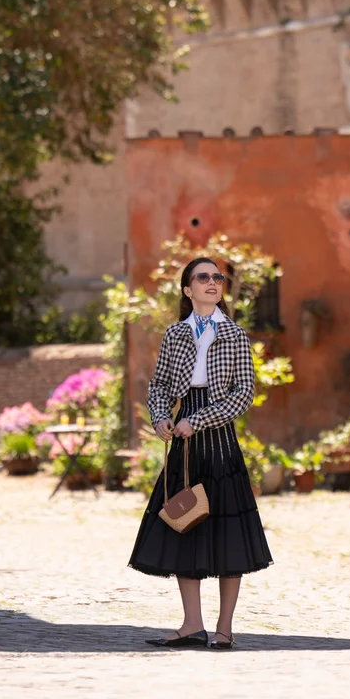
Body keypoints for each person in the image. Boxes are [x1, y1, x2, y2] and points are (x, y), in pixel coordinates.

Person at [129, 256, 273, 649]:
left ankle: (224, 628)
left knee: (228, 532)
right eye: (203, 277)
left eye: (218, 277)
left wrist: (202, 419)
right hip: (183, 443)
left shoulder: (236, 335)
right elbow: (158, 386)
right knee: (183, 524)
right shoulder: (175, 335)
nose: (213, 282)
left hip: (220, 441)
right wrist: (161, 417)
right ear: (188, 289)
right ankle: (192, 624)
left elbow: (244, 394)